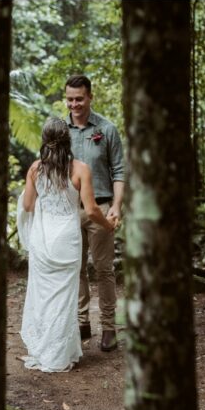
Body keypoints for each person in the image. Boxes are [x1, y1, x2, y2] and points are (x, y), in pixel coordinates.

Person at [18, 117, 116, 372]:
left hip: (42, 239)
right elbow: (92, 210)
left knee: (43, 296)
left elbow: (28, 206)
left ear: (44, 140)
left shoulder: (35, 169)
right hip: (66, 240)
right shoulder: (81, 169)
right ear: (68, 139)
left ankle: (45, 348)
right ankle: (60, 352)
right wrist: (109, 225)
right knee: (64, 296)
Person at [64, 73, 125, 351]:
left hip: (99, 208)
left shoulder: (107, 129)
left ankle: (109, 327)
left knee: (104, 269)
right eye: (69, 99)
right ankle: (81, 322)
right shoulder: (60, 130)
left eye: (79, 99)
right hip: (68, 208)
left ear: (90, 97)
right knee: (74, 268)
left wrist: (116, 206)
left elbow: (120, 172)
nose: (74, 104)